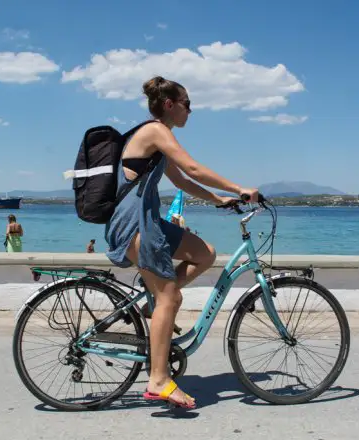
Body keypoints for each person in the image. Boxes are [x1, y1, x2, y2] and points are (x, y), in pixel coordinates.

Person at [104, 75, 259, 409]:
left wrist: (219, 200)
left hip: (149, 223)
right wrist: (238, 188)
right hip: (134, 226)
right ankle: (158, 380)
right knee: (170, 297)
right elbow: (192, 166)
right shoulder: (153, 131)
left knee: (205, 253)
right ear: (170, 105)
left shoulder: (161, 138)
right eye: (188, 104)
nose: (192, 110)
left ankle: (154, 306)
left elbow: (183, 180)